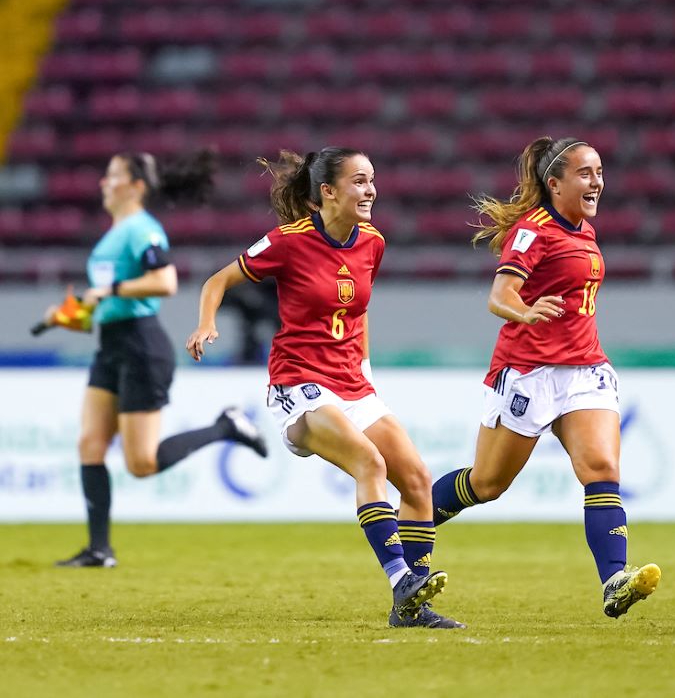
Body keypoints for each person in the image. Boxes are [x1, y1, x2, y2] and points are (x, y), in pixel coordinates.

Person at [185, 147, 462, 629]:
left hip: (353, 384)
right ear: (328, 192)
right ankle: (401, 578)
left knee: (416, 480)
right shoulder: (286, 241)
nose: (370, 189)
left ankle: (411, 608)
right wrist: (206, 324)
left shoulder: (372, 241)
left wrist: (366, 370)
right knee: (369, 463)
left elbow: (359, 312)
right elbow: (217, 280)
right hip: (299, 383)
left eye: (372, 179)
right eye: (359, 181)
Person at [430, 136, 661, 619]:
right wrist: (527, 311)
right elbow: (498, 296)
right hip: (530, 372)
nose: (596, 181)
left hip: (585, 370)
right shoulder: (533, 231)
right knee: (487, 484)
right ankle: (411, 522)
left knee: (601, 469)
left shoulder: (582, 230)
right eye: (585, 173)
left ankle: (614, 581)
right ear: (554, 183)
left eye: (599, 171)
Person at [48, 151, 268, 569]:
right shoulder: (115, 234)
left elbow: (163, 281)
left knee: (142, 463)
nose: (102, 183)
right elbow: (109, 297)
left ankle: (227, 426)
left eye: (111, 176)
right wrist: (75, 312)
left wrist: (108, 291)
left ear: (136, 186)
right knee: (90, 444)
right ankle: (99, 549)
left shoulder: (142, 230)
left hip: (140, 347)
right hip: (111, 345)